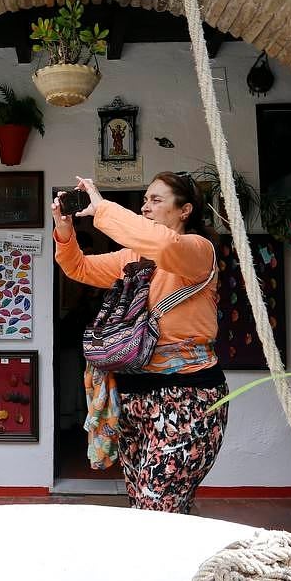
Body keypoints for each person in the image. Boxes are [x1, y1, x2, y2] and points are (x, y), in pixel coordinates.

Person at [52, 172, 226, 514]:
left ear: (185, 210)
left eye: (156, 200)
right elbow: (80, 268)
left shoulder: (197, 250)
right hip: (134, 400)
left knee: (154, 508)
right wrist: (64, 229)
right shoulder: (131, 258)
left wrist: (102, 209)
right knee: (151, 506)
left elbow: (163, 245)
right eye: (145, 200)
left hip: (187, 399)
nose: (146, 206)